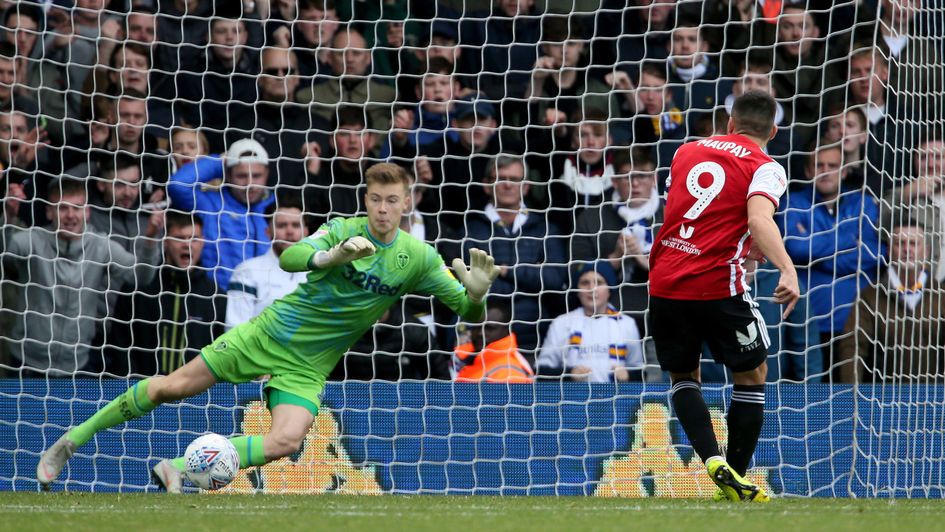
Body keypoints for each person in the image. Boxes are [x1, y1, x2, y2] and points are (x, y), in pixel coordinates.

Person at [36, 163, 502, 494]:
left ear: (408, 203)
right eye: (376, 199)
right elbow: (291, 256)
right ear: (366, 199)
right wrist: (331, 256)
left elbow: (466, 309)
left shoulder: (418, 258)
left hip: (310, 365)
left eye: (392, 201)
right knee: (172, 387)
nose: (383, 209)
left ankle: (176, 467)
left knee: (286, 441)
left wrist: (478, 296)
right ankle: (72, 439)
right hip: (270, 333)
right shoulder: (343, 229)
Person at [647, 91, 799, 502]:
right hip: (718, 284)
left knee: (683, 376)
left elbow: (689, 211)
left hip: (664, 280)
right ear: (773, 131)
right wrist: (786, 268)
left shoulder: (686, 151)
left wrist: (743, 243)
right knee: (752, 375)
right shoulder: (766, 166)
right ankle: (734, 474)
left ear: (730, 123)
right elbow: (757, 217)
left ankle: (711, 459)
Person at [1, 178, 159, 375]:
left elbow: (140, 277)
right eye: (62, 208)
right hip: (27, 363)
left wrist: (151, 239)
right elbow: (4, 256)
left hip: (77, 365)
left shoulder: (100, 245)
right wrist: (6, 219)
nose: (70, 215)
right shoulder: (32, 240)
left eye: (77, 208)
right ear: (49, 212)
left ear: (87, 212)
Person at [781, 142, 882, 373]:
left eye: (833, 165)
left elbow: (873, 254)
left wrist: (815, 252)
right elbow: (795, 249)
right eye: (819, 165)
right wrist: (849, 239)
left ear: (844, 171)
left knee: (855, 400)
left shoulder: (863, 203)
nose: (825, 171)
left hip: (858, 323)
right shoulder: (792, 203)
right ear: (808, 171)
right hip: (809, 323)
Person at [462, 155, 568, 355]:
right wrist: (532, 276)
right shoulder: (470, 230)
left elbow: (554, 280)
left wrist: (506, 271)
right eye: (500, 178)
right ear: (486, 185)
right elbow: (469, 283)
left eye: (515, 179)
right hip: (484, 338)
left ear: (526, 186)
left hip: (536, 338)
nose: (508, 185)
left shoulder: (545, 229)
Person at [105, 212, 226, 377]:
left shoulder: (215, 296)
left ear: (203, 242)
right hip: (142, 392)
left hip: (196, 396)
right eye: (179, 238)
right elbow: (120, 346)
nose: (187, 245)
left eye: (194, 238)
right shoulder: (139, 288)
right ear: (165, 242)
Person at [166, 138, 276, 291]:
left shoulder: (277, 209)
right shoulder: (210, 204)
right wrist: (220, 161)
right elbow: (178, 185)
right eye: (242, 176)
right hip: (219, 300)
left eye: (257, 176)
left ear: (267, 174)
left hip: (266, 303)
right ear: (228, 175)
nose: (250, 183)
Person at [536, 262, 644, 383]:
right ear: (577, 290)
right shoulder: (561, 323)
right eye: (585, 283)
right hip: (571, 398)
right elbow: (541, 371)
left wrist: (628, 375)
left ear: (609, 289)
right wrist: (569, 375)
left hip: (616, 399)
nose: (592, 288)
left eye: (599, 282)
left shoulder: (626, 324)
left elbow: (641, 372)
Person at [226, 197, 308, 329]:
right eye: (281, 225)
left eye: (296, 225)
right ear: (268, 232)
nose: (289, 231)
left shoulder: (317, 273)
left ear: (306, 231)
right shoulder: (247, 271)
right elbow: (234, 329)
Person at [452, 300, 534, 383]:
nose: (480, 333)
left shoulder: (508, 373)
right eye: (477, 326)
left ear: (506, 331)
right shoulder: (462, 357)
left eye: (489, 328)